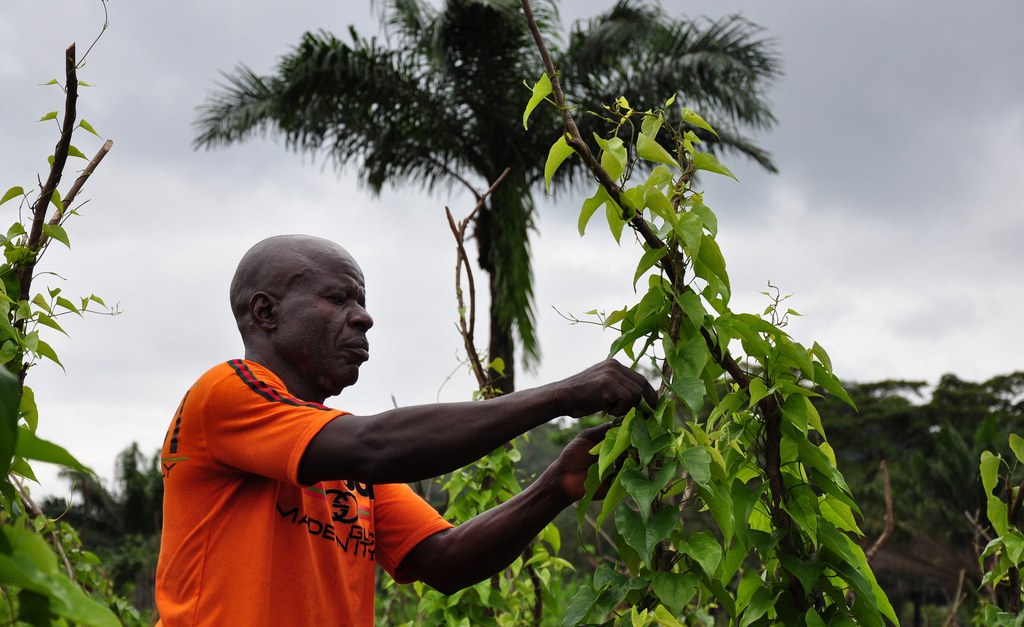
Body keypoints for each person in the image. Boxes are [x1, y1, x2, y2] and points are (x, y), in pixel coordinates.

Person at [155, 234, 656, 626]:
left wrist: (560, 484)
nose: (365, 318)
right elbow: (377, 446)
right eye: (339, 298)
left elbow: (444, 559)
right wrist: (564, 396)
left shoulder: (339, 463)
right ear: (266, 312)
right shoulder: (227, 394)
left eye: (362, 302)